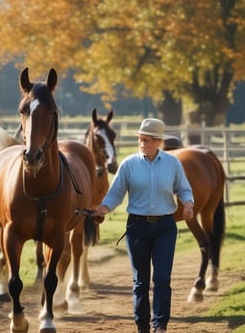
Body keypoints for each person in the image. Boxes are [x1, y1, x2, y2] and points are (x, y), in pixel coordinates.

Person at [93, 118, 194, 333]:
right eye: (140, 139)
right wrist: (103, 209)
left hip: (165, 227)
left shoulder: (172, 163)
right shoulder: (129, 165)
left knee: (162, 279)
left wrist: (188, 204)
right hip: (137, 227)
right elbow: (115, 194)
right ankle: (142, 327)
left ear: (158, 142)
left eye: (147, 140)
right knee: (140, 281)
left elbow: (184, 189)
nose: (142, 143)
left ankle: (160, 325)